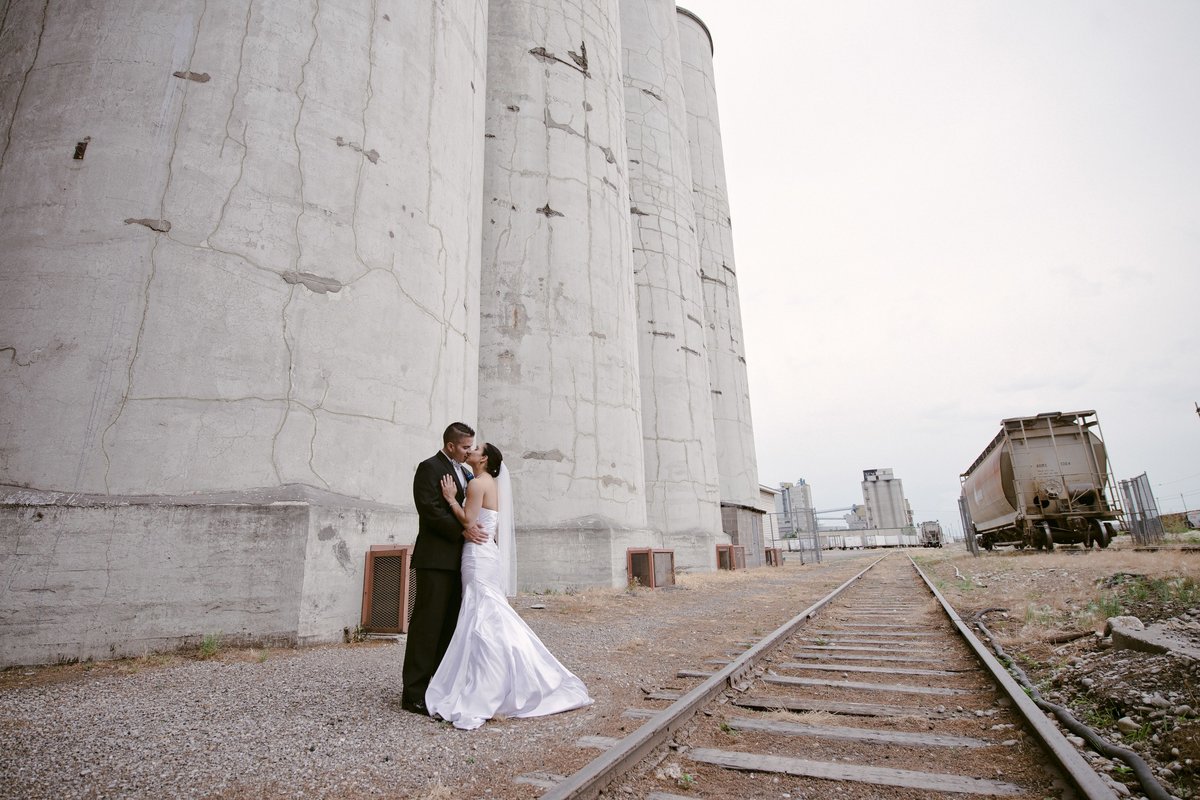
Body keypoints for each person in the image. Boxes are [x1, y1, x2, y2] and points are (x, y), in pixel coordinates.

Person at [424, 442, 593, 730]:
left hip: (477, 554)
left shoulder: (478, 483)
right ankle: (497, 675)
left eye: (476, 449)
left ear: (484, 459)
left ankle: (486, 683)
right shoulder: (491, 484)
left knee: (481, 615)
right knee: (487, 614)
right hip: (486, 551)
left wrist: (451, 498)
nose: (471, 451)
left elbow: (468, 519)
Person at [401, 422, 490, 714]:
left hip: (459, 562)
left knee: (449, 626)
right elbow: (430, 510)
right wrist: (462, 532)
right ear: (451, 445)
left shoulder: (465, 473)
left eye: (471, 447)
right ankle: (413, 692)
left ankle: (437, 687)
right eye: (465, 447)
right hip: (435, 560)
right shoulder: (429, 468)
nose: (468, 451)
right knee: (427, 626)